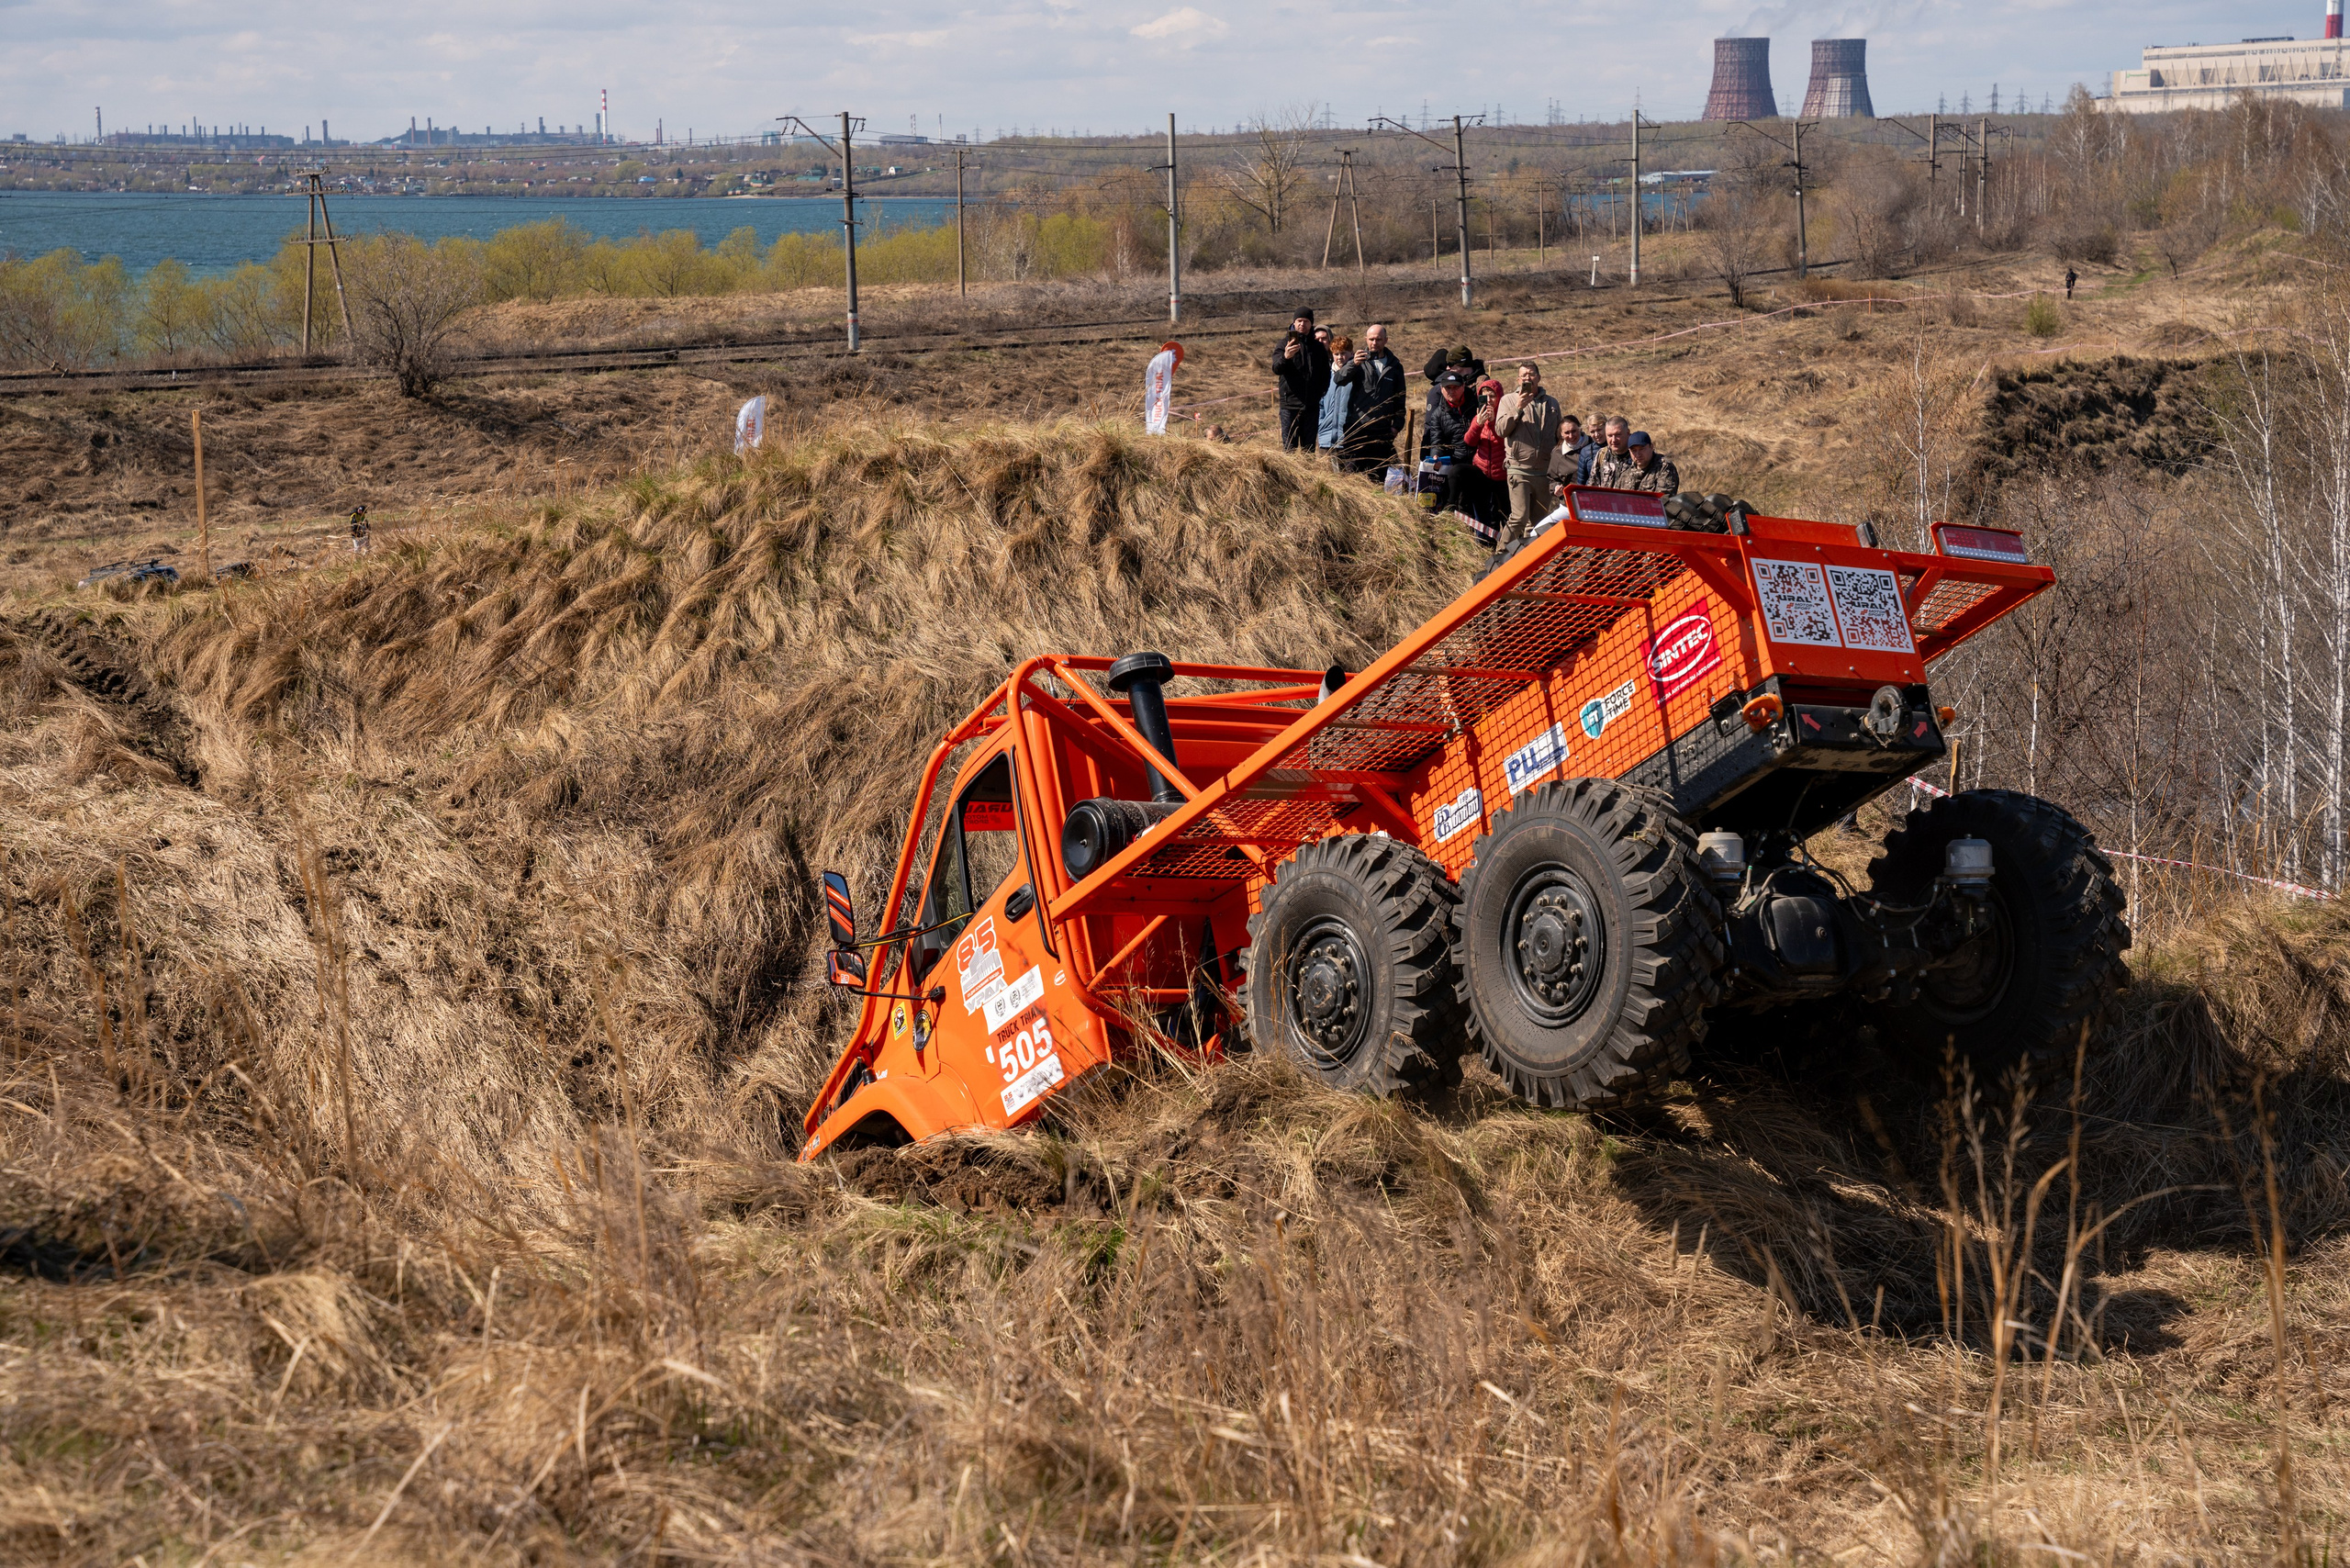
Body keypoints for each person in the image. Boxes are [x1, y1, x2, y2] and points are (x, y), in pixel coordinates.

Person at [1492, 361, 1562, 549]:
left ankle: (1531, 559)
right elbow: (1500, 430)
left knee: (1539, 522)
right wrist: (1518, 408)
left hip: (1543, 471)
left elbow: (1559, 435)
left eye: (1531, 374)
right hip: (1519, 469)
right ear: (1518, 379)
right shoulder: (1508, 400)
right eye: (1523, 375)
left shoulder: (1552, 403)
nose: (1527, 378)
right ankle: (1500, 557)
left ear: (1538, 377)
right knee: (1519, 517)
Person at [1333, 322, 1406, 477]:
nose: (1374, 343)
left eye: (1378, 339)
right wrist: (1353, 363)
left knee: (1378, 478)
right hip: (1357, 428)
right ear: (1366, 339)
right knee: (1353, 478)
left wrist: (1396, 426)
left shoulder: (1395, 366)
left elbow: (1400, 399)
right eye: (1371, 339)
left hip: (1382, 431)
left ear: (1386, 340)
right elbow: (1339, 379)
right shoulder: (1358, 361)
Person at [1271, 307, 1332, 453]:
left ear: (1311, 323)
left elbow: (1325, 373)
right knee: (1289, 449)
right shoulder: (1284, 343)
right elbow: (1276, 369)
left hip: (1311, 405)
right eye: (1299, 321)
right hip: (1289, 404)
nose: (1302, 324)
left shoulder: (1317, 347)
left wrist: (1320, 392)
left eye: (1305, 321)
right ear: (1294, 322)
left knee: (1309, 450)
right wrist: (1286, 357)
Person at [1593, 430, 1681, 495]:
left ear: (1651, 447)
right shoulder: (1626, 474)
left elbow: (1663, 500)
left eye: (1642, 449)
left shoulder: (1664, 467)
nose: (1638, 454)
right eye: (1634, 451)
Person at [1317, 334, 1355, 465]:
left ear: (1351, 353)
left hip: (1349, 439)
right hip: (1326, 439)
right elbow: (1320, 404)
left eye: (1344, 353)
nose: (1340, 358)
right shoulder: (1326, 375)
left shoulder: (1357, 374)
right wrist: (1320, 424)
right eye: (1336, 354)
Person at [1547, 413, 1599, 501]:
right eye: (1567, 433)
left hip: (1597, 498)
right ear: (1561, 434)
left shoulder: (1594, 444)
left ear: (1580, 429)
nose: (1571, 436)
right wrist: (1556, 488)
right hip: (1570, 501)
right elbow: (1552, 479)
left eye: (1573, 431)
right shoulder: (1558, 453)